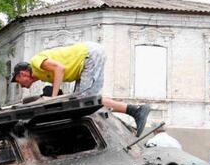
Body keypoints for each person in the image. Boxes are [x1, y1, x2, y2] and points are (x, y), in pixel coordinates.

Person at [10, 41, 152, 136]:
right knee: (82, 102)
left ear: (22, 74)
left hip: (89, 55)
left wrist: (53, 98)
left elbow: (60, 68)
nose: (20, 85)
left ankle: (135, 110)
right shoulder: (42, 76)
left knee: (86, 101)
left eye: (18, 81)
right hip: (85, 63)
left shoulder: (36, 63)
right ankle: (131, 115)